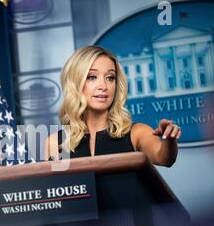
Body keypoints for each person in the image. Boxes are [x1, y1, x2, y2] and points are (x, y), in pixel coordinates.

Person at [45, 45, 180, 166]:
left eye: (110, 78)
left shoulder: (137, 132)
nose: (103, 86)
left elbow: (164, 159)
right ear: (74, 83)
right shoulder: (54, 143)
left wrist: (169, 141)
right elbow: (51, 189)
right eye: (92, 77)